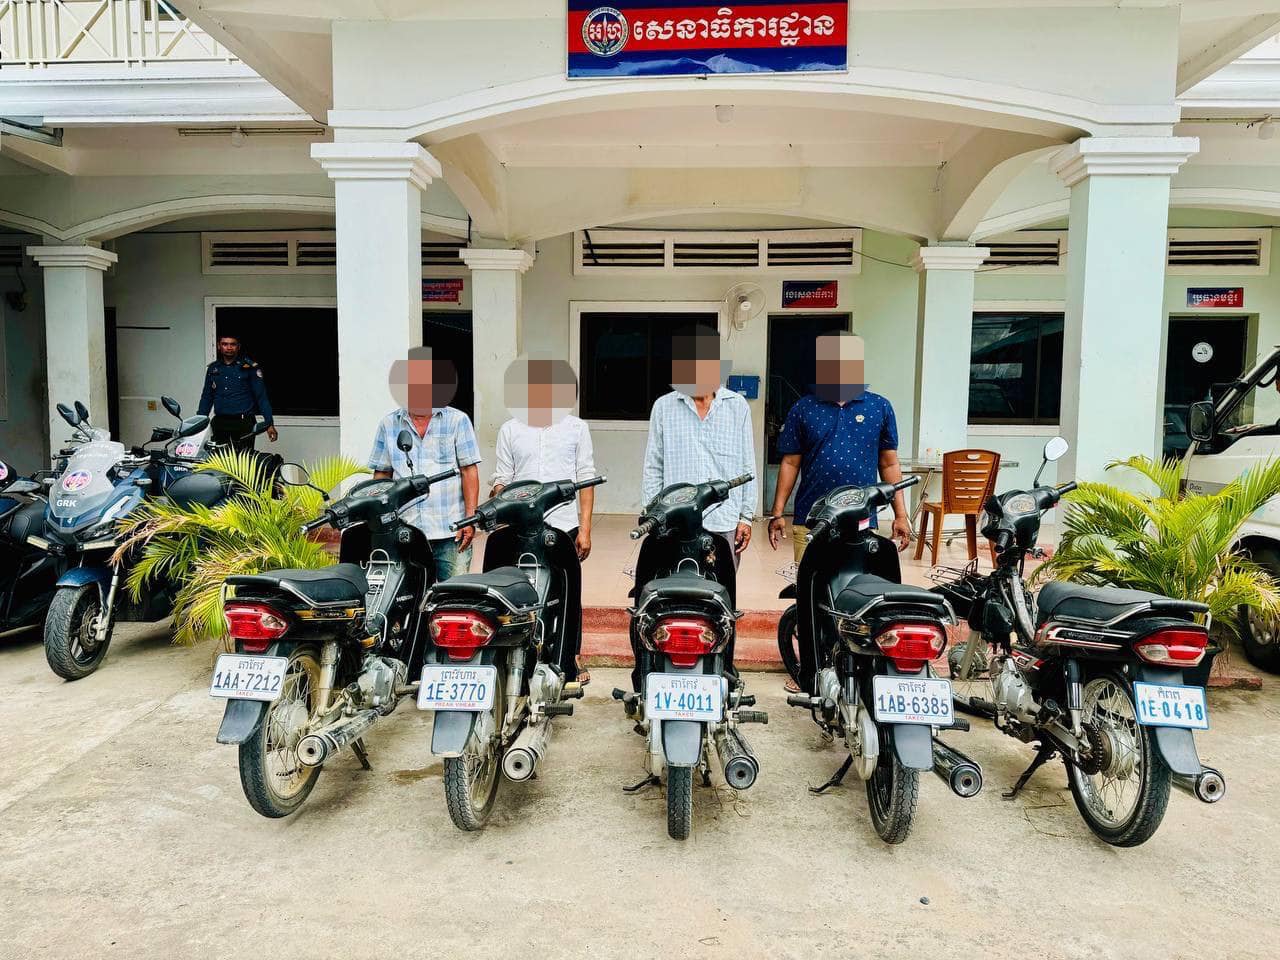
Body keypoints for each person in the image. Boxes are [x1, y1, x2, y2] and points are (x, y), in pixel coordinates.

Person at [765, 332, 910, 691]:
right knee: (812, 594)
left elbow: (889, 464)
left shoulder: (878, 407)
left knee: (861, 592)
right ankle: (812, 670)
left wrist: (901, 514)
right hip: (812, 521)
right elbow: (790, 463)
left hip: (862, 522)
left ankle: (863, 665)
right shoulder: (804, 409)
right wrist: (777, 511)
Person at [491, 355, 596, 682]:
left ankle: (571, 657)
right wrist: (499, 501)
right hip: (519, 526)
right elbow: (502, 478)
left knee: (568, 592)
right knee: (508, 585)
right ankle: (502, 653)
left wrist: (585, 529)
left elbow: (586, 479)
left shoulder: (577, 428)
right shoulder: (510, 429)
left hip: (562, 524)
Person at [641, 325, 757, 564]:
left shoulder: (737, 406)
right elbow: (654, 466)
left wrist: (746, 517)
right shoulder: (664, 407)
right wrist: (652, 514)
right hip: (676, 520)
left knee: (722, 583)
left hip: (724, 520)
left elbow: (748, 466)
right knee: (675, 582)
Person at [370, 346, 480, 582]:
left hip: (450, 531)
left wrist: (470, 519)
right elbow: (382, 475)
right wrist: (381, 520)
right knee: (407, 597)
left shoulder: (457, 421)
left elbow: (469, 470)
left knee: (453, 595)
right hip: (405, 530)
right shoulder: (389, 424)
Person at [197, 334, 277, 451]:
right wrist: (199, 422)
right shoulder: (213, 368)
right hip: (220, 423)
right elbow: (207, 397)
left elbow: (261, 397)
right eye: (225, 344)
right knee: (218, 459)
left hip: (243, 423)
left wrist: (269, 424)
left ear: (238, 347)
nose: (229, 347)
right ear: (219, 346)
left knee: (243, 460)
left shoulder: (249, 367)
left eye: (232, 344)